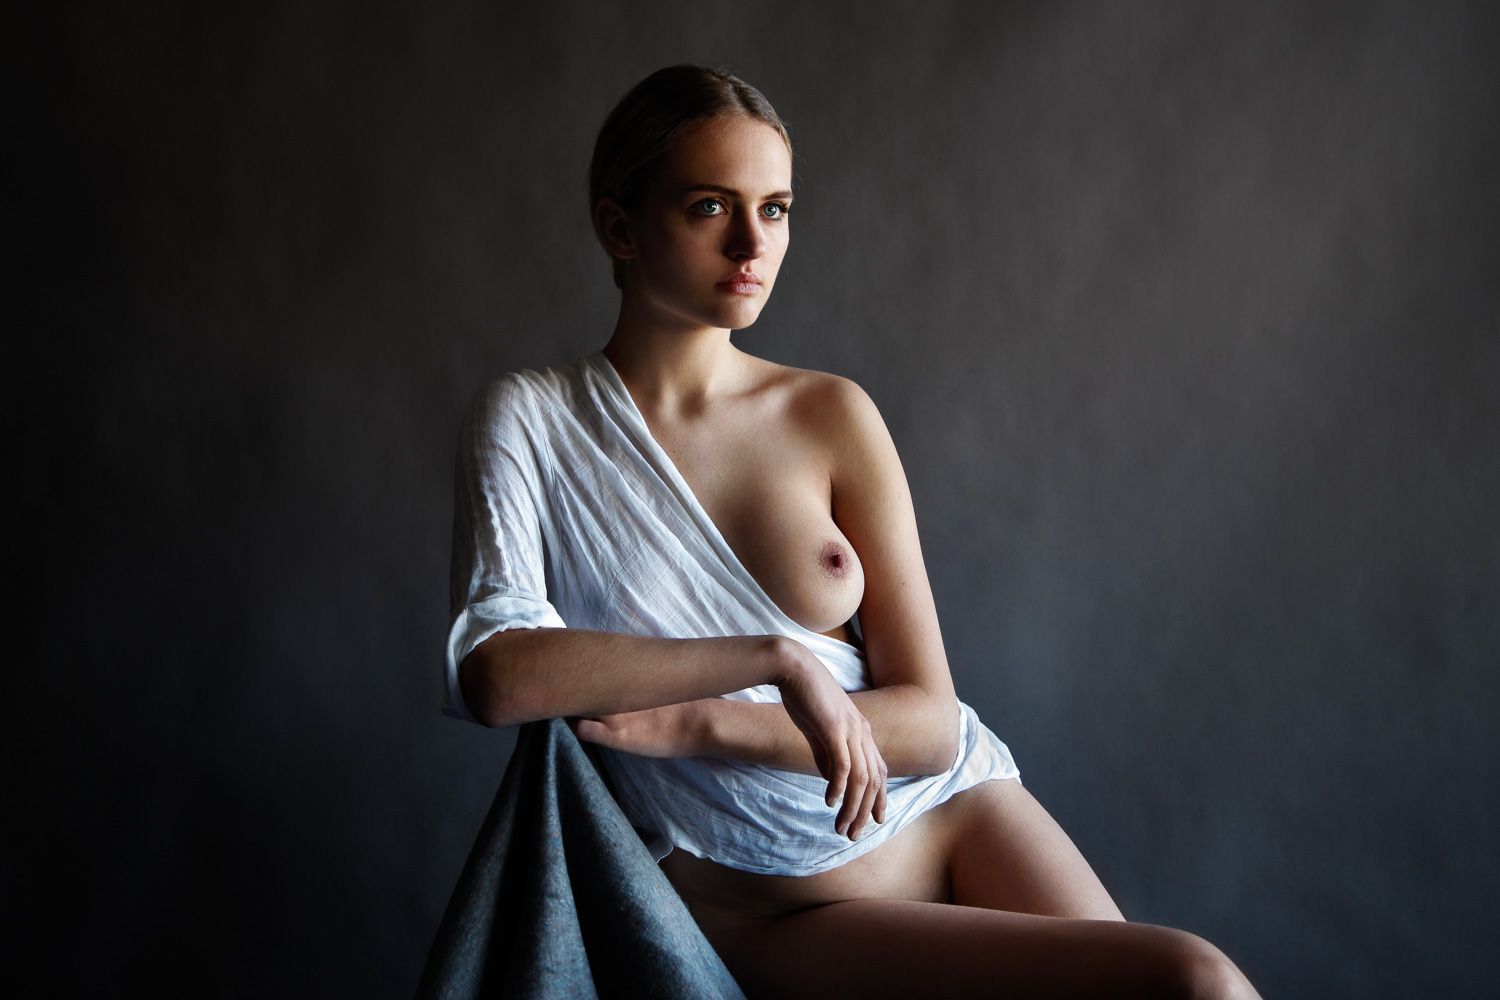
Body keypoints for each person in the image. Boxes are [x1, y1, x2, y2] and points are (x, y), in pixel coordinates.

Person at [445, 63, 1261, 999]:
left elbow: (931, 723)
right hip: (773, 904)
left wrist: (709, 722)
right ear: (619, 227)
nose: (752, 243)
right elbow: (498, 673)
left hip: (955, 812)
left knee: (1195, 983)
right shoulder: (532, 420)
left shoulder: (830, 414)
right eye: (710, 207)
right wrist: (776, 662)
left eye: (776, 209)